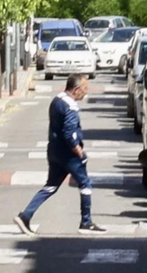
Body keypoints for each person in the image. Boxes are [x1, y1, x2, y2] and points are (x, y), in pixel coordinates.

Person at [14, 75, 105, 236]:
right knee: (85, 185)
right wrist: (78, 150)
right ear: (76, 90)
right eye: (84, 89)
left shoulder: (57, 100)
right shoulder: (71, 106)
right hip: (69, 155)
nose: (86, 93)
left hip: (54, 151)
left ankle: (26, 215)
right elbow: (69, 132)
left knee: (51, 186)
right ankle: (86, 222)